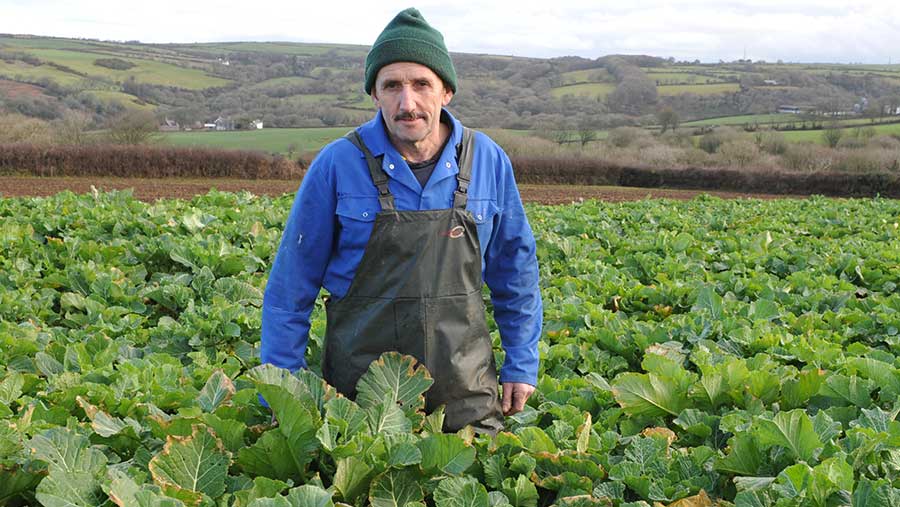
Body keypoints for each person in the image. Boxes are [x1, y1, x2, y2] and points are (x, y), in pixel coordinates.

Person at [260, 7, 542, 433]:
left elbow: (515, 271)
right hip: (360, 400)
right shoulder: (338, 164)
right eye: (391, 86)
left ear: (446, 91)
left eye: (421, 84)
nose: (407, 103)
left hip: (466, 393)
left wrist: (521, 362)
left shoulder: (487, 159)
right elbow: (290, 286)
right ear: (375, 95)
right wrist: (282, 389)